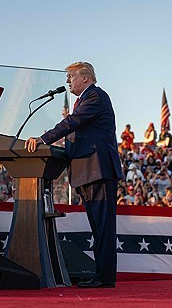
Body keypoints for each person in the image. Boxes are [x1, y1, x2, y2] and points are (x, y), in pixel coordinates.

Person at [25, 61, 123, 288]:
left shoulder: (95, 97)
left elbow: (72, 122)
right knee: (98, 227)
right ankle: (102, 275)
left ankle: (105, 277)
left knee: (103, 227)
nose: (68, 81)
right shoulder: (85, 99)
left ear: (86, 78)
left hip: (98, 170)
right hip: (87, 170)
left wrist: (43, 139)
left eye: (71, 76)